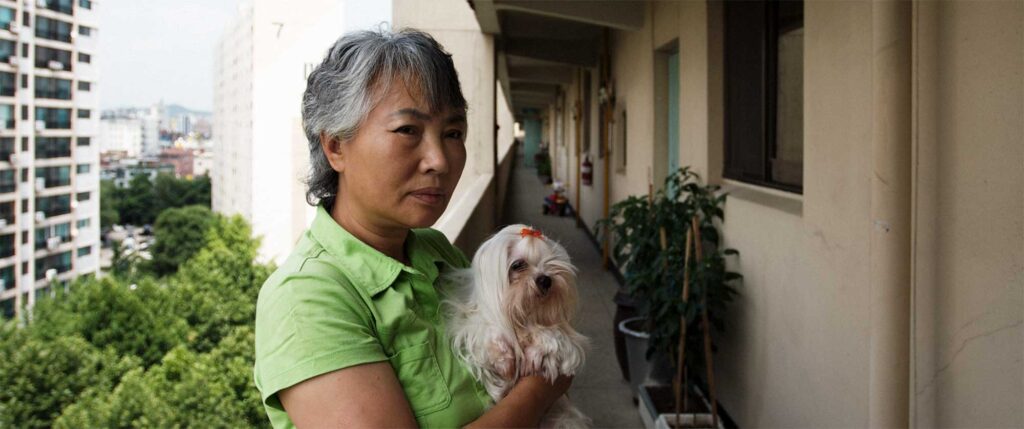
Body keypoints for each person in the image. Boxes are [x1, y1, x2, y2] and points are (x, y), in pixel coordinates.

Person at [253, 28, 571, 428]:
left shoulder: (436, 252)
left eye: (453, 133)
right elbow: (539, 374)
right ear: (336, 147)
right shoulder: (307, 300)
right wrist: (541, 389)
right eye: (408, 130)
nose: (439, 159)